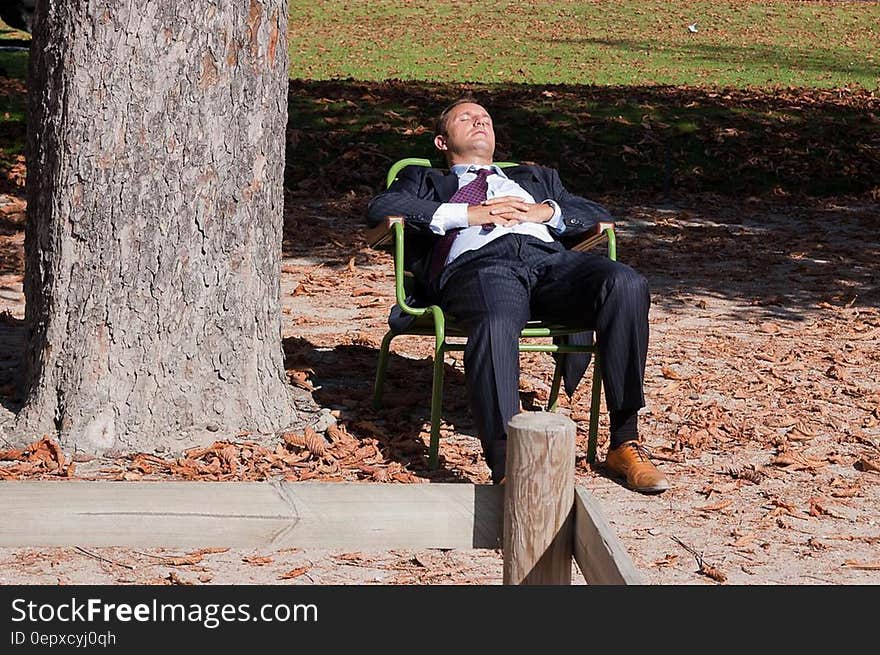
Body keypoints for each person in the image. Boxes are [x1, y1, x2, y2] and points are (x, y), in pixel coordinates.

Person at [367, 99, 668, 493]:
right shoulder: (425, 181)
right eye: (466, 118)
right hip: (481, 267)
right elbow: (382, 207)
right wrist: (470, 214)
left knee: (625, 283)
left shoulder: (536, 179)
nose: (480, 122)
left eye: (486, 119)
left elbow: (594, 212)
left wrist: (543, 213)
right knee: (495, 322)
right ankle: (509, 464)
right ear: (442, 142)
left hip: (550, 265)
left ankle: (624, 441)